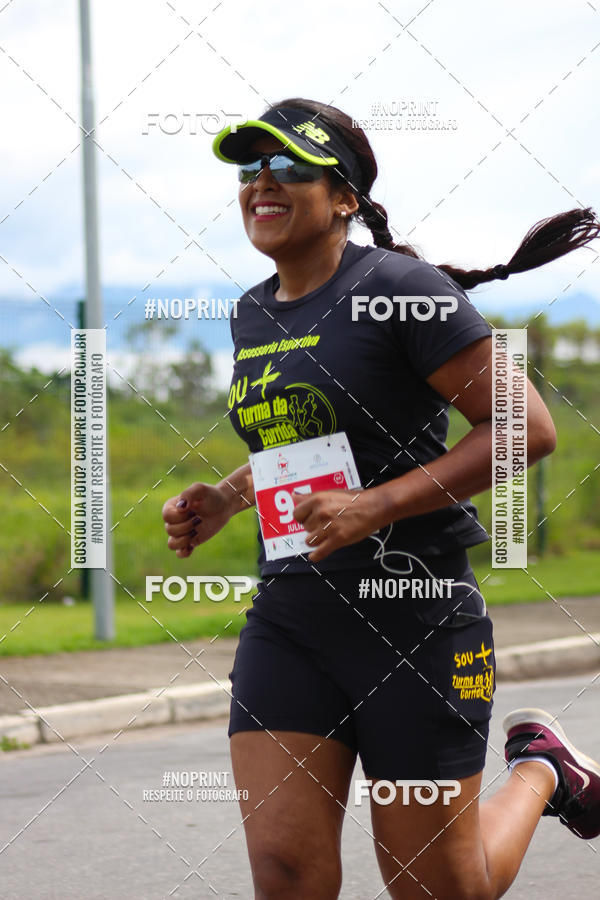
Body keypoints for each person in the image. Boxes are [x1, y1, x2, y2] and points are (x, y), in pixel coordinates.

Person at [162, 98, 600, 899]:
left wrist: (377, 506)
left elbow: (525, 428)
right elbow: (303, 442)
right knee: (285, 875)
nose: (263, 181)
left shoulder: (402, 287)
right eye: (250, 167)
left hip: (415, 618)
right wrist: (227, 497)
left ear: (344, 198)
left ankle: (543, 771)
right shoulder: (253, 312)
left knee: (439, 887)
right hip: (291, 619)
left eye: (290, 166)